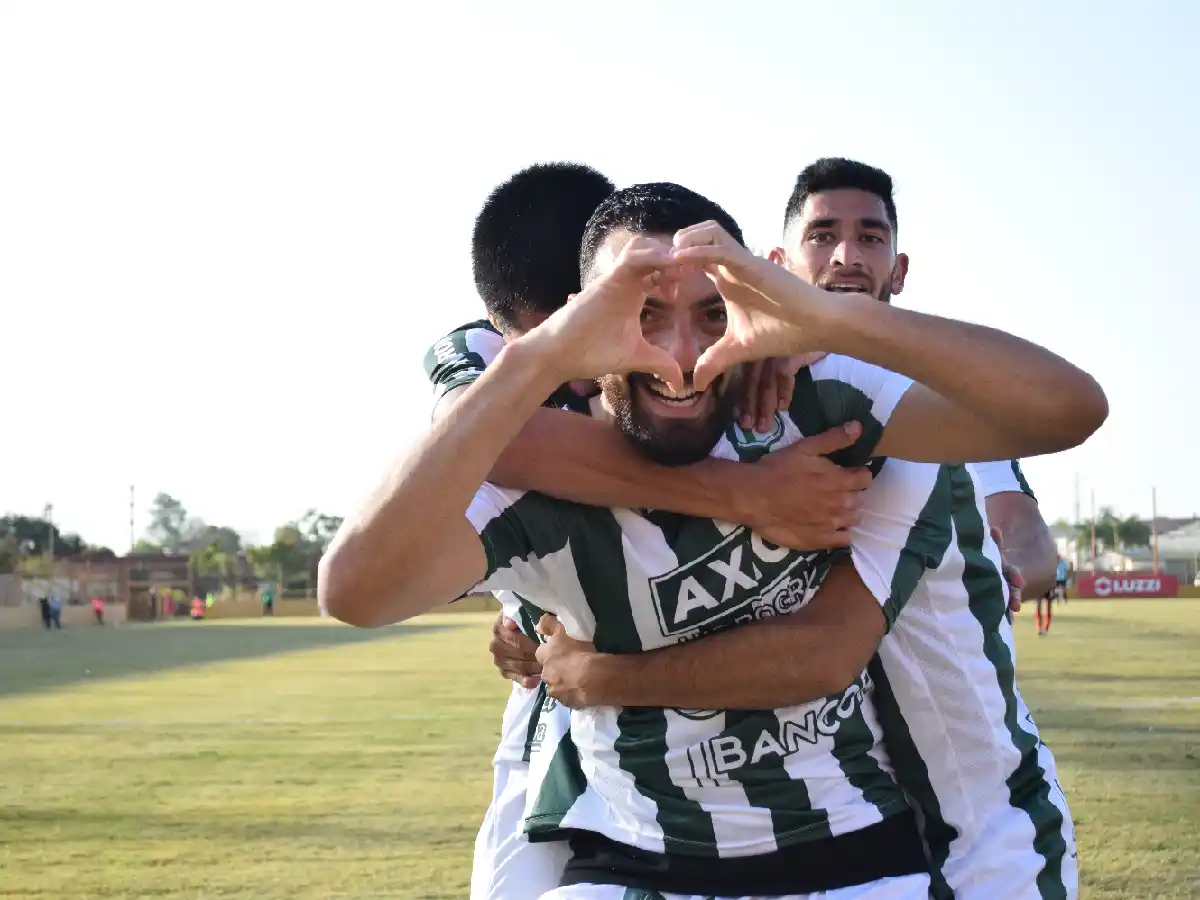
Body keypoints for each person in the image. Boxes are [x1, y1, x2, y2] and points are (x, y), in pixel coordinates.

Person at [322, 182, 1105, 897]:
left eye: (711, 314)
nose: (684, 358)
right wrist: (549, 355)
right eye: (644, 316)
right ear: (584, 319)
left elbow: (1067, 411)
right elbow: (355, 590)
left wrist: (824, 315)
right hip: (632, 862)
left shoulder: (818, 405)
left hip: (851, 860)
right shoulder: (537, 471)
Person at [425, 163, 873, 900]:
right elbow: (497, 446)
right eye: (552, 351)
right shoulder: (475, 357)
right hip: (560, 699)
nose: (580, 378)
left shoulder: (706, 337)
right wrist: (747, 493)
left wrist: (784, 348)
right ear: (502, 327)